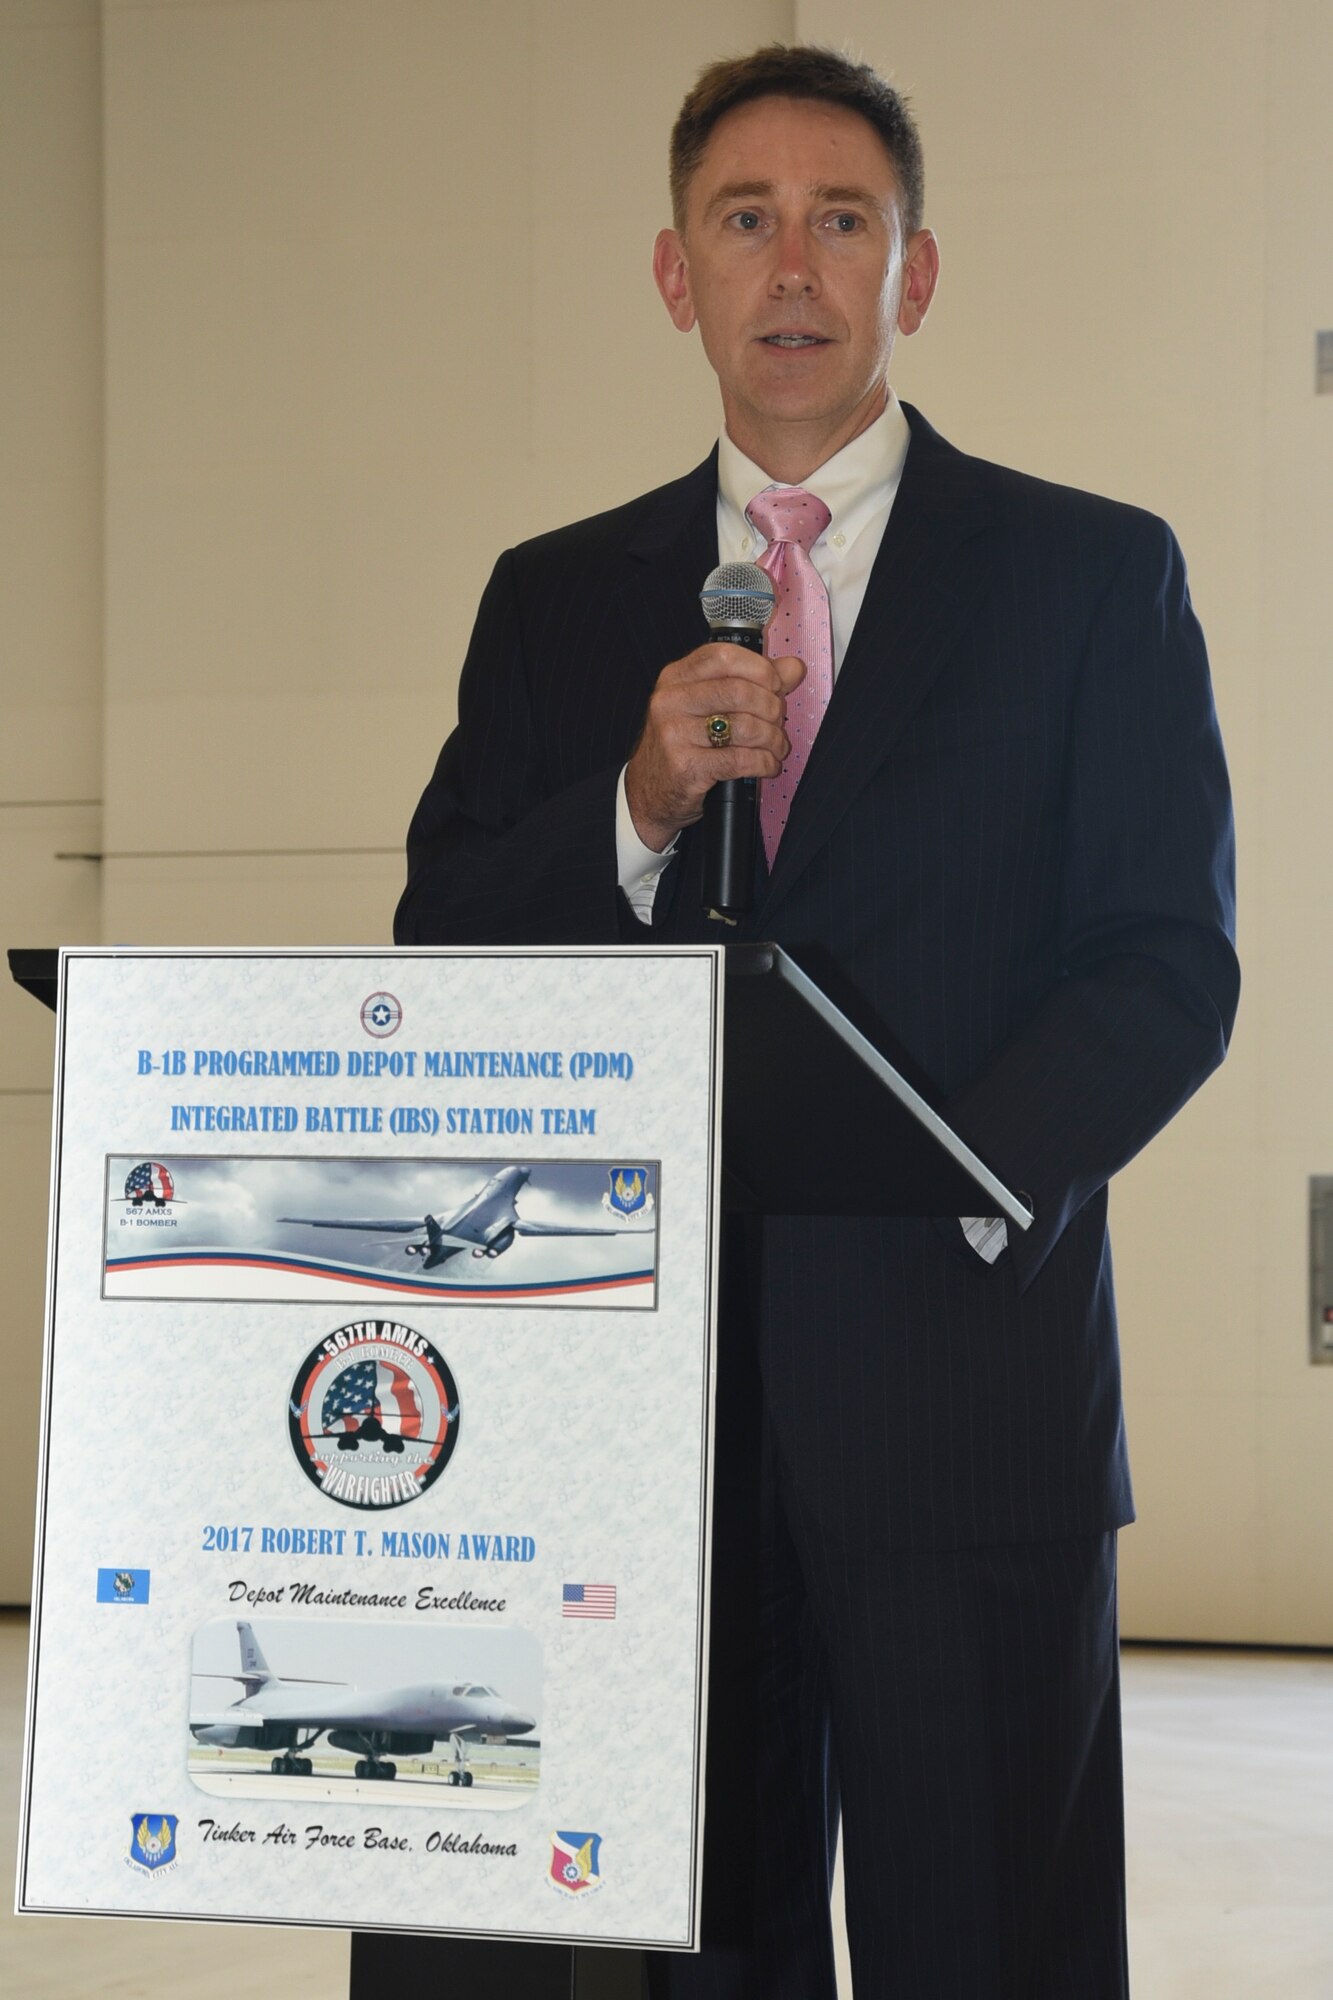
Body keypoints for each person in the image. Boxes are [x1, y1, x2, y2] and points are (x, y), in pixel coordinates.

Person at [396, 44, 1238, 1999]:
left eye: (839, 222)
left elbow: (1162, 963)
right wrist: (635, 799)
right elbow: (444, 939)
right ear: (674, 276)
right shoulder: (553, 604)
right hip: (633, 1420)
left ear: (912, 275)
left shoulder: (1090, 578)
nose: (793, 265)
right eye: (744, 221)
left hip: (966, 1389)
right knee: (693, 1941)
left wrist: (961, 1177)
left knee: (989, 1947)